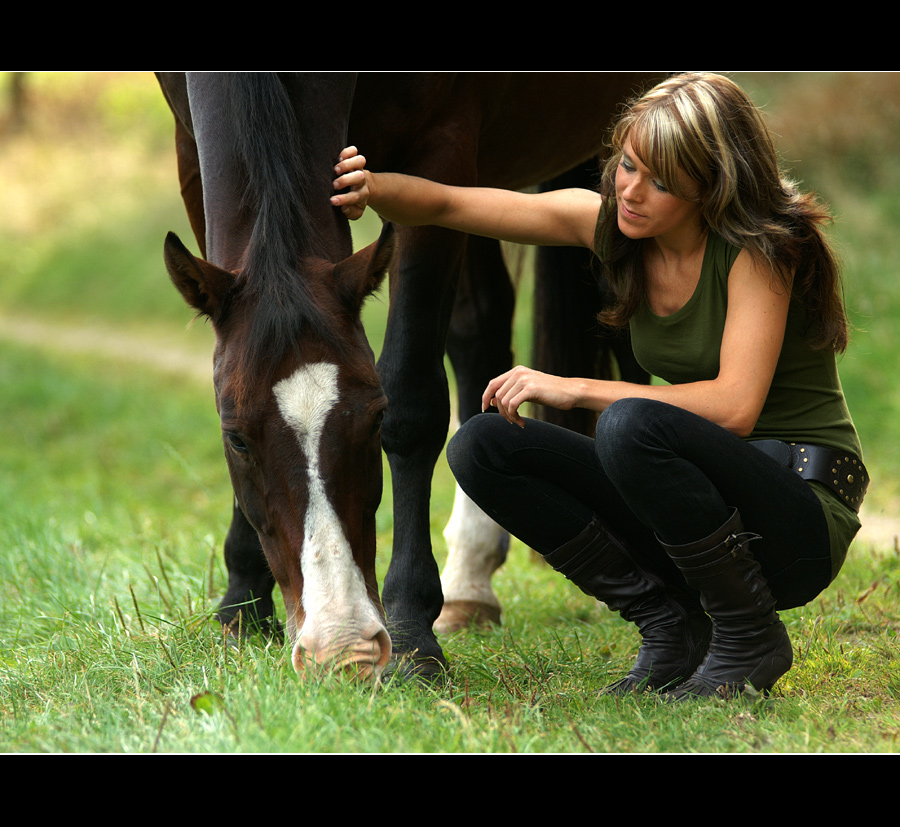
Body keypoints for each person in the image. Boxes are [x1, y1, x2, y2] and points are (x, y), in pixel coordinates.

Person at [330, 72, 866, 701]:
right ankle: (670, 626)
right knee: (484, 448)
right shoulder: (614, 225)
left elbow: (733, 408)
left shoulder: (762, 248)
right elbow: (453, 205)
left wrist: (575, 388)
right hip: (708, 506)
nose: (632, 191)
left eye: (662, 181)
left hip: (797, 513)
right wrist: (370, 186)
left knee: (629, 424)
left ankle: (749, 634)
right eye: (629, 165)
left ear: (711, 187)